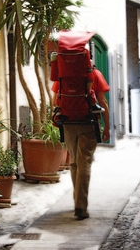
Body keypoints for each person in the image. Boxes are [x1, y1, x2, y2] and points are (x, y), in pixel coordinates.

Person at [52, 66, 110, 220]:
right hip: (88, 123)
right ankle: (81, 207)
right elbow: (102, 102)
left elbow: (54, 101)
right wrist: (107, 127)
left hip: (68, 124)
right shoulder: (95, 74)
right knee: (85, 163)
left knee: (74, 163)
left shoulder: (63, 74)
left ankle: (76, 200)